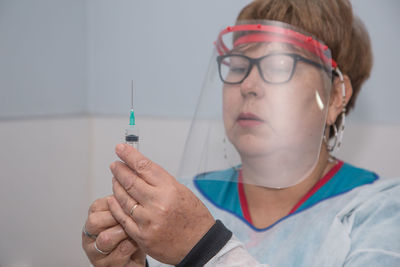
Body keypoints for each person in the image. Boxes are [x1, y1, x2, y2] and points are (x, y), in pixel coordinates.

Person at [82, 0, 400, 266]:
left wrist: (205, 248)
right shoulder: (181, 204)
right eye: (237, 65)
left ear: (334, 97)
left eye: (277, 66)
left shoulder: (379, 214)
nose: (247, 85)